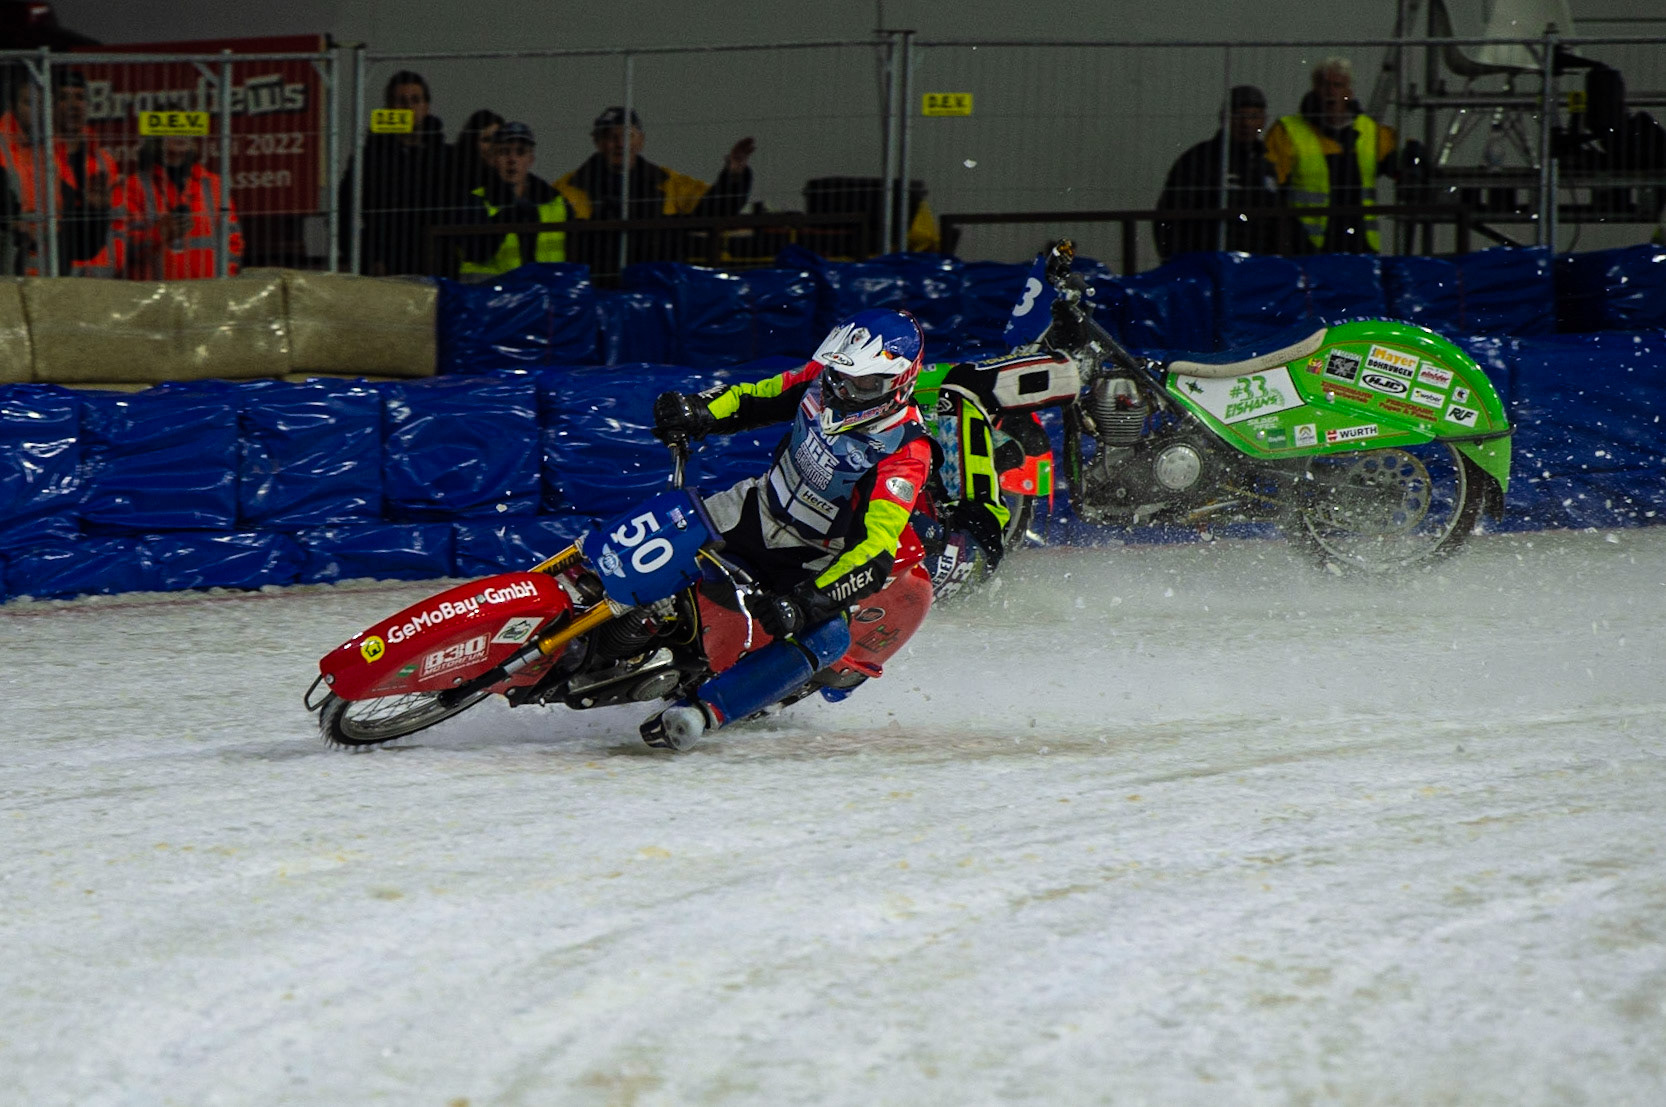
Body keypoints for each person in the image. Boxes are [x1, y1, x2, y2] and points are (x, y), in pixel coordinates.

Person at [643, 308, 932, 750]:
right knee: (669, 518)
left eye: (866, 383)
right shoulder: (821, 378)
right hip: (754, 506)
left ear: (900, 381)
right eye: (841, 374)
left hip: (808, 555)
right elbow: (753, 397)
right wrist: (699, 410)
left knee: (831, 637)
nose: (847, 389)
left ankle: (703, 713)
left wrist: (807, 602)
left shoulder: (906, 451)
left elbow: (875, 549)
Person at [556, 106, 753, 278]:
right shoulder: (569, 188)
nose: (620, 144)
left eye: (627, 135)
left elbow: (717, 206)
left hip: (658, 294)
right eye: (610, 137)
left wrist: (733, 176)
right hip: (596, 294)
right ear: (597, 142)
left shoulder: (668, 183)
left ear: (641, 141)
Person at [1263, 57, 1400, 254]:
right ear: (1314, 89)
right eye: (1324, 85)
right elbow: (1271, 190)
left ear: (1349, 92)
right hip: (1307, 244)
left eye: (1338, 85)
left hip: (1361, 243)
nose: (1331, 92)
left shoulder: (1371, 130)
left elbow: (1399, 167)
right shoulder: (1287, 131)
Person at [0, 67, 122, 277]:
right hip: (14, 279)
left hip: (63, 280)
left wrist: (96, 212)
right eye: (30, 103)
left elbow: (75, 241)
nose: (39, 110)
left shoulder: (52, 158)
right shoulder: (34, 154)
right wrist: (12, 224)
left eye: (80, 98)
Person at [337, 70, 459, 276]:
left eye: (415, 100)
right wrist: (368, 259)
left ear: (426, 106)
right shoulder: (369, 158)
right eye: (401, 101)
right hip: (386, 267)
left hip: (438, 265)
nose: (409, 107)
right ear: (390, 108)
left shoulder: (448, 157)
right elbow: (345, 212)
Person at [1153, 84, 1285, 261]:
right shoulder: (1199, 160)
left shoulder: (1265, 167)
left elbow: (1275, 222)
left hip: (1255, 268)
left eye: (1253, 117)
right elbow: (1169, 216)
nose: (1246, 124)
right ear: (1225, 119)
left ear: (1263, 121)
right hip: (1209, 265)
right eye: (1239, 116)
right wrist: (1177, 262)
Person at [455, 121, 568, 277]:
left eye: (520, 152)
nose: (512, 159)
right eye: (504, 152)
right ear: (493, 158)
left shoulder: (556, 201)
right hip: (493, 295)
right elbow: (475, 253)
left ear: (531, 159)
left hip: (548, 293)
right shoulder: (476, 201)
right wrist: (505, 218)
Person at [122, 136, 242, 280]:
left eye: (186, 128)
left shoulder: (213, 184)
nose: (181, 133)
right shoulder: (133, 186)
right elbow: (122, 247)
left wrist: (224, 278)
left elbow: (233, 241)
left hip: (207, 291)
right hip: (154, 294)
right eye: (172, 129)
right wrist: (158, 233)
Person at [451, 108, 504, 195]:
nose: (493, 146)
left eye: (497, 139)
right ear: (471, 142)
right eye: (486, 140)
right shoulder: (458, 180)